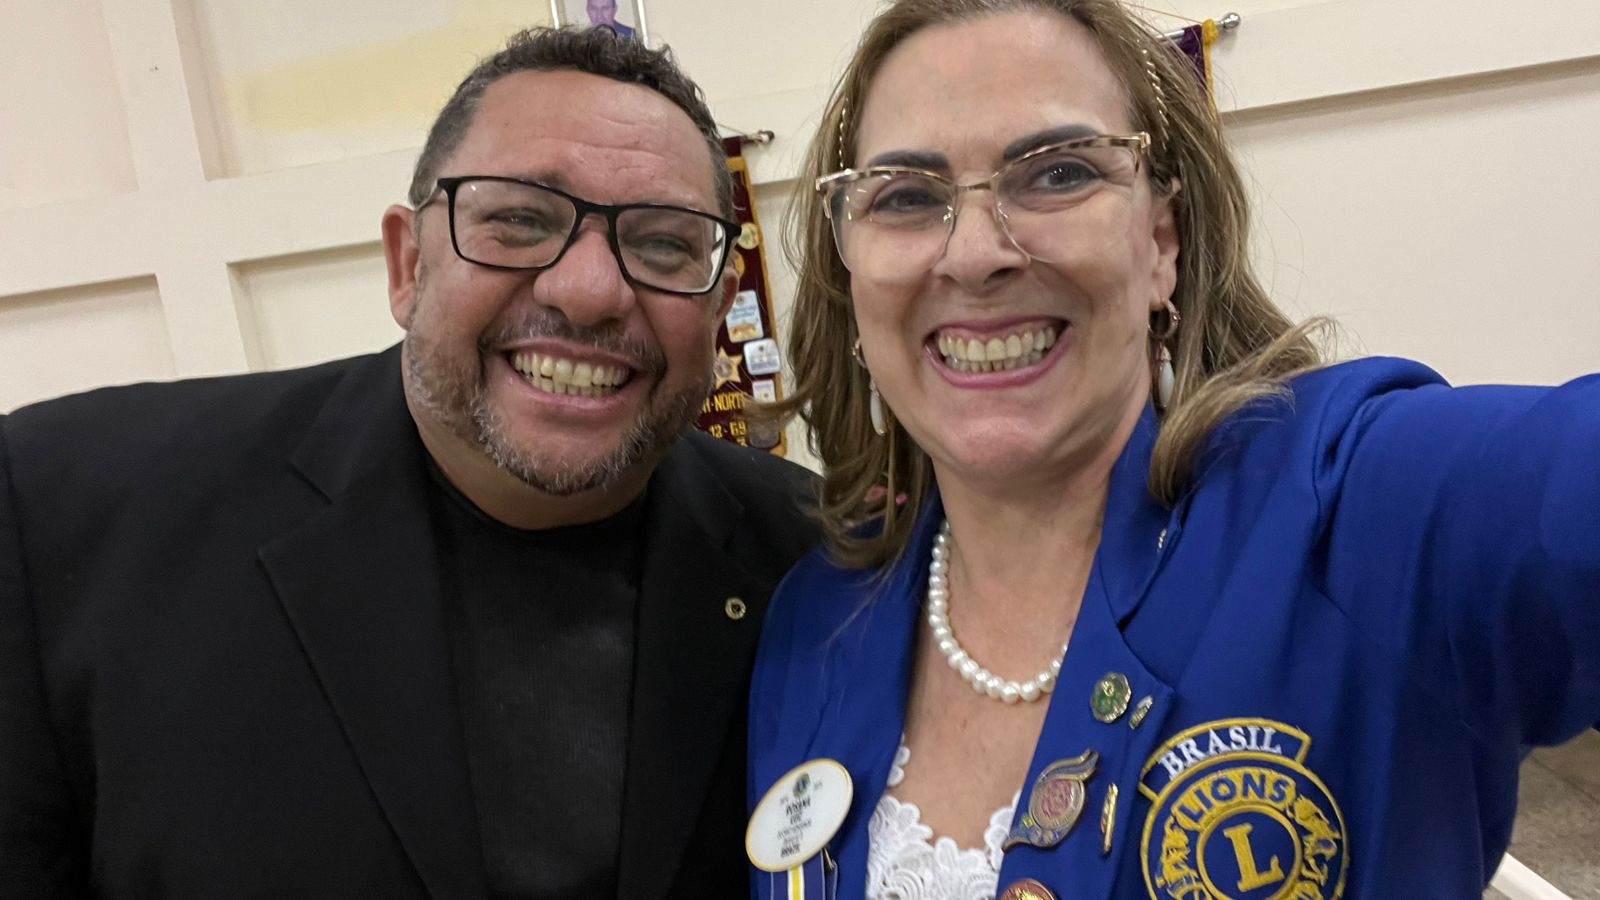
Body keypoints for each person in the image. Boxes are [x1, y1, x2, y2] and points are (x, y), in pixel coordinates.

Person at [745, 1, 1600, 897]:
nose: (974, 254)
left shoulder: (1355, 510)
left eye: (1058, 173)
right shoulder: (814, 619)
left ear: (1162, 242)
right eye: (907, 197)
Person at [0, 26, 818, 899]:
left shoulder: (814, 560)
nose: (588, 292)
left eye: (663, 244)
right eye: (519, 220)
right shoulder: (67, 513)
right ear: (407, 263)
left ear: (719, 307)